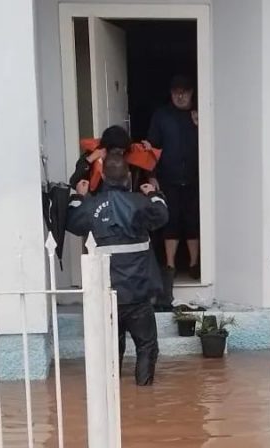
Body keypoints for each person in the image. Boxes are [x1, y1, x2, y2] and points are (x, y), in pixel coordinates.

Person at [66, 151, 168, 386]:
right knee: (147, 347)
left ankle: (112, 398)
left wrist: (79, 196)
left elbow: (71, 220)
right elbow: (162, 214)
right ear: (129, 177)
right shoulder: (141, 204)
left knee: (111, 348)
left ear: (102, 175)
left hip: (106, 294)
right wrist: (154, 193)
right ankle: (144, 398)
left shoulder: (91, 207)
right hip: (138, 294)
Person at [143, 74, 200, 303]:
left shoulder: (199, 114)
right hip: (168, 177)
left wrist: (200, 124)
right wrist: (151, 176)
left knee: (193, 220)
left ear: (192, 92)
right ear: (170, 92)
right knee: (171, 221)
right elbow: (151, 148)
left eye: (184, 91)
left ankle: (195, 265)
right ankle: (170, 266)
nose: (180, 95)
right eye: (176, 90)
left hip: (196, 177)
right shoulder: (162, 116)